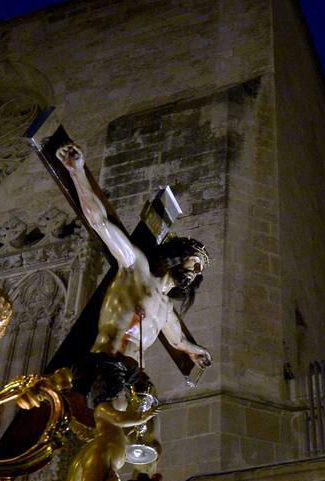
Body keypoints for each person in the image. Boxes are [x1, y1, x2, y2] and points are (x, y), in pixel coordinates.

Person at [57, 143, 211, 405]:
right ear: (177, 255)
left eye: (199, 272)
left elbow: (180, 341)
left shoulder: (166, 310)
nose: (195, 273)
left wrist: (198, 352)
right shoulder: (134, 266)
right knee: (111, 423)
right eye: (194, 262)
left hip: (132, 376)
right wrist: (77, 171)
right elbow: (101, 223)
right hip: (104, 364)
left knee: (145, 432)